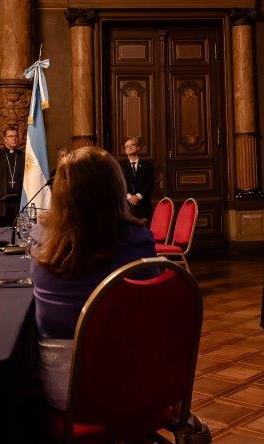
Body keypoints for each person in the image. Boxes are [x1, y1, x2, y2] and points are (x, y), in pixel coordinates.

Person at [29, 146, 157, 409]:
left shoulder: (41, 237)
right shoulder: (138, 241)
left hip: (60, 389)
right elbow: (154, 310)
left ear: (61, 192)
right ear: (114, 188)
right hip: (130, 383)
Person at [119, 137, 154, 224]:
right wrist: (129, 197)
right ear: (125, 151)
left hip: (144, 207)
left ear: (138, 148)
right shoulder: (120, 165)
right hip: (126, 206)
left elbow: (150, 184)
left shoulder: (148, 166)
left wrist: (138, 196)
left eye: (132, 145)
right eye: (127, 146)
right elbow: (118, 183)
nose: (130, 147)